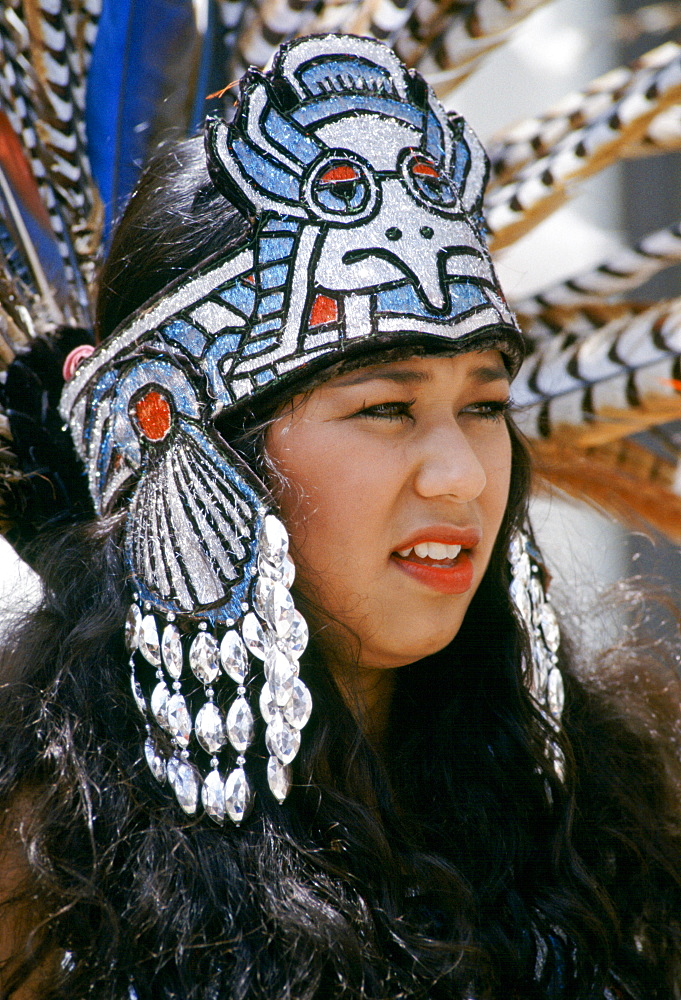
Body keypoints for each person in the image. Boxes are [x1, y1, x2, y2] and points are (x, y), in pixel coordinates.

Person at [0, 33, 680, 1000]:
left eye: (483, 406)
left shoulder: (601, 828)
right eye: (385, 409)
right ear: (193, 444)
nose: (461, 476)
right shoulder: (39, 865)